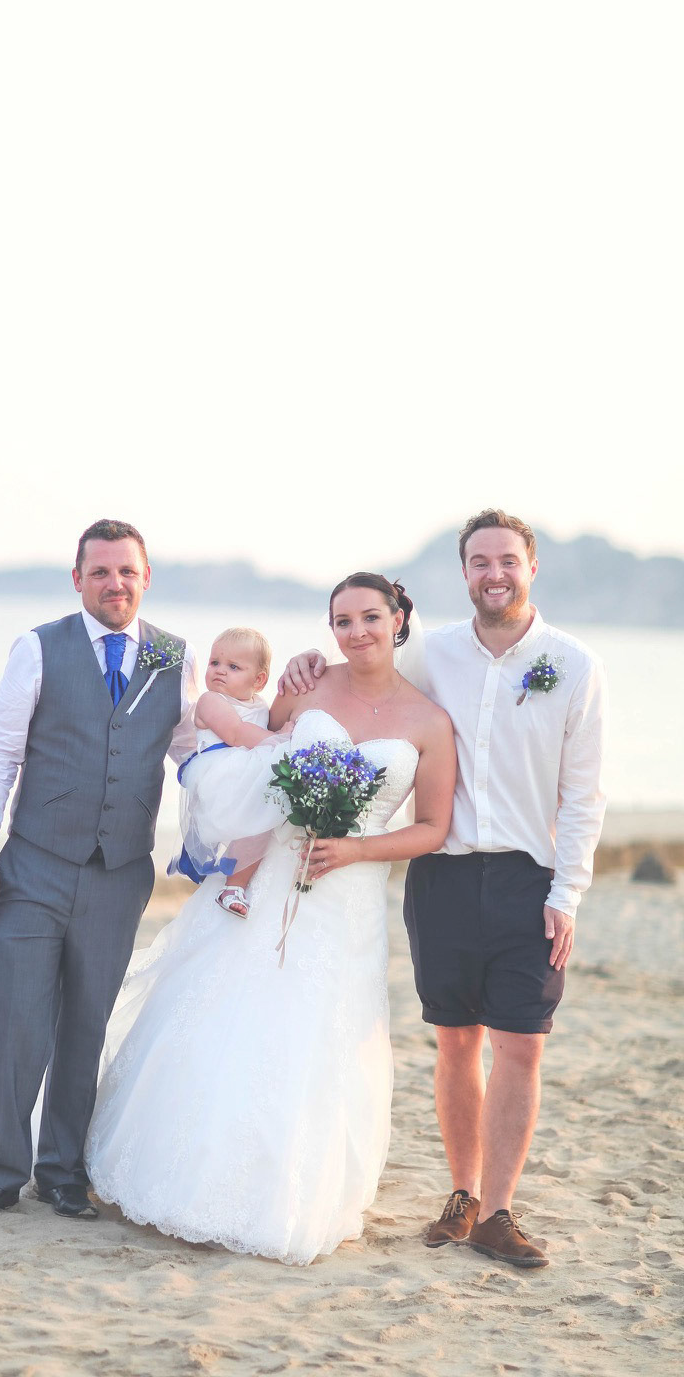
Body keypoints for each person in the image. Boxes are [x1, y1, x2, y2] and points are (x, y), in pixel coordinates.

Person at [83, 573, 455, 1264]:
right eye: (341, 621)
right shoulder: (308, 685)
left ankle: (290, 1190)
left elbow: (432, 827)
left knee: (319, 1029)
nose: (356, 632)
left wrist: (355, 848)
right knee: (228, 1007)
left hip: (348, 892)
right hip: (270, 875)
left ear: (399, 620)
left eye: (370, 617)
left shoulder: (430, 722)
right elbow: (255, 749)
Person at [280, 511, 607, 1269]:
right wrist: (303, 664)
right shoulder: (433, 654)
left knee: (521, 1045)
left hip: (530, 878)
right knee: (456, 1042)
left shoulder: (574, 665)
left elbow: (584, 795)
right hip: (444, 875)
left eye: (507, 560)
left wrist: (567, 895)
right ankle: (462, 1196)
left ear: (530, 567)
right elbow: (366, 674)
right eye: (479, 562)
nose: (494, 573)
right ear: (464, 573)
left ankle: (498, 1212)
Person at [0, 518, 198, 1220]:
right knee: (18, 1023)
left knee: (87, 1026)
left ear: (145, 578)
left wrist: (220, 842)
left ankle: (62, 1173)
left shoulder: (175, 657)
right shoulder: (38, 648)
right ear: (78, 579)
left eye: (126, 572)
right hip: (33, 866)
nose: (114, 583)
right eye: (100, 572)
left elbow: (195, 756)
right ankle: (0, 1172)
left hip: (120, 873)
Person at [171, 625, 291, 918]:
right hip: (220, 773)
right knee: (260, 812)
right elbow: (236, 733)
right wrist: (284, 740)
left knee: (262, 822)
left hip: (243, 773)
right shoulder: (210, 701)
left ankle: (235, 885)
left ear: (259, 680)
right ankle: (233, 885)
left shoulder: (260, 705)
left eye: (233, 667)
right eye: (214, 663)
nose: (220, 671)